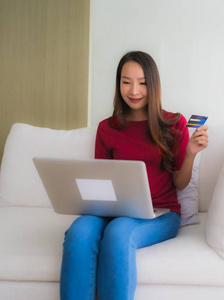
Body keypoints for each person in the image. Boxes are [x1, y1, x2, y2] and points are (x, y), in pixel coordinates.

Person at [59, 51, 209, 300]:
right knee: (79, 232)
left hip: (160, 213)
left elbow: (179, 183)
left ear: (153, 84)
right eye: (126, 81)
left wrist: (191, 153)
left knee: (119, 232)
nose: (134, 90)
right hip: (113, 211)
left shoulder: (174, 123)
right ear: (118, 84)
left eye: (142, 82)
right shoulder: (107, 128)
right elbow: (102, 181)